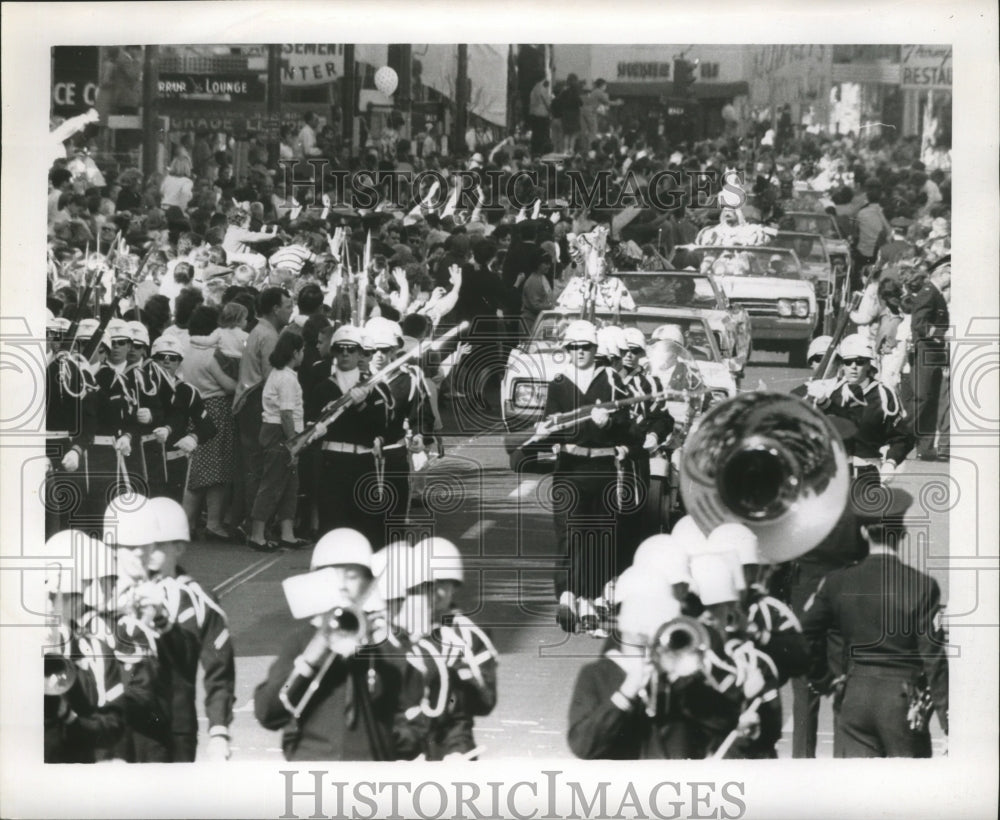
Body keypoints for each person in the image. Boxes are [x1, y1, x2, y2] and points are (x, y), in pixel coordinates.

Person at [801, 486, 949, 757]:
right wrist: (948, 720)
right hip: (902, 698)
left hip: (854, 695)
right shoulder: (922, 586)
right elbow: (934, 657)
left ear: (863, 532)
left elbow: (806, 635)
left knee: (859, 792)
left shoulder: (838, 583)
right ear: (901, 533)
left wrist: (824, 679)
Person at [254, 530, 427, 760]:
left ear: (368, 584)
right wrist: (308, 661)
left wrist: (387, 741)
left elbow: (416, 722)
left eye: (353, 576)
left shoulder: (387, 648)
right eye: (333, 576)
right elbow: (268, 712)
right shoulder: (301, 641)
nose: (343, 585)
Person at [532, 319, 642, 635]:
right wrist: (545, 430)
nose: (579, 352)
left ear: (595, 349)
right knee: (569, 535)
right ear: (567, 349)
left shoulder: (610, 380)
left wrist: (609, 423)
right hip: (570, 470)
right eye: (574, 347)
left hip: (603, 471)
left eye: (585, 347)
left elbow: (628, 427)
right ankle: (568, 595)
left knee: (598, 539)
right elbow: (551, 424)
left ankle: (591, 600)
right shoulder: (558, 382)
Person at [107, 495, 236, 762]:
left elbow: (219, 672)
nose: (146, 552)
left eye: (157, 544)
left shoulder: (199, 601)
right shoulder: (112, 594)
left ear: (179, 547)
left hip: (175, 728)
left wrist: (219, 731)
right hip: (118, 722)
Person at [232, 287, 294, 538]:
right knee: (261, 466)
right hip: (258, 403)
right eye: (288, 306)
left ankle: (249, 521)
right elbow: (273, 377)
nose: (291, 310)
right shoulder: (268, 335)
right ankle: (254, 523)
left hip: (249, 402)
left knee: (253, 466)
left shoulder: (260, 330)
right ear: (275, 309)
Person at [811, 333, 914, 484]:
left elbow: (902, 437)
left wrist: (891, 462)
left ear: (868, 364)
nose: (853, 367)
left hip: (868, 472)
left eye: (859, 362)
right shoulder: (833, 393)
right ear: (842, 365)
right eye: (848, 362)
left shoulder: (884, 395)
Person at [249, 331, 310, 552]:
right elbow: (286, 414)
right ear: (295, 353)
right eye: (302, 351)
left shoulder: (281, 374)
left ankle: (287, 533)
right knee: (272, 484)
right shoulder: (285, 378)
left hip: (279, 431)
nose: (303, 354)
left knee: (289, 486)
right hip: (281, 433)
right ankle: (257, 535)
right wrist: (294, 444)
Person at [180, 305, 237, 540]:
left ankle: (189, 524)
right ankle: (211, 523)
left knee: (197, 471)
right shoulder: (212, 355)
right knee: (215, 471)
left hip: (191, 408)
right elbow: (229, 386)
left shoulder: (185, 349)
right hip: (215, 410)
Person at [908, 260, 950, 460]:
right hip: (925, 351)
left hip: (934, 354)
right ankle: (895, 437)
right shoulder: (929, 292)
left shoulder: (936, 294)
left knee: (931, 401)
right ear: (943, 272)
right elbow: (919, 323)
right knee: (922, 399)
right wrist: (942, 334)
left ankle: (925, 447)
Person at [528, 78, 552, 156]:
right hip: (542, 115)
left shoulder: (535, 88)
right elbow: (547, 102)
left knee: (535, 135)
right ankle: (542, 152)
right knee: (543, 135)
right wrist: (552, 111)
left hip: (534, 114)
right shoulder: (543, 87)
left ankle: (534, 152)